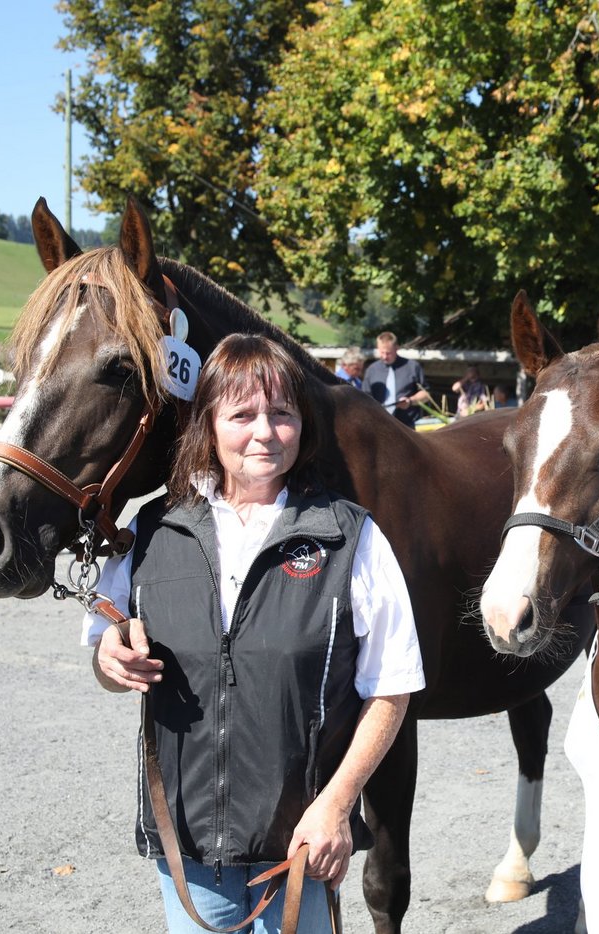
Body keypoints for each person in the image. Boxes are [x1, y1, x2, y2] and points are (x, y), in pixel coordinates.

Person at [85, 333, 424, 933]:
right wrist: (111, 660)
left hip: (301, 845)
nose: (264, 432)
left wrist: (336, 805)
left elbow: (392, 687)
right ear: (208, 425)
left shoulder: (351, 537)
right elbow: (107, 655)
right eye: (241, 415)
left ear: (303, 425)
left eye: (282, 414)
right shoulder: (152, 533)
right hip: (188, 844)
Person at [364, 331, 429, 428]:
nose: (385, 357)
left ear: (396, 348)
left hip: (406, 425)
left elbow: (426, 394)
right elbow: (365, 396)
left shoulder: (412, 367)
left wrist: (410, 401)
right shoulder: (372, 370)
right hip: (378, 424)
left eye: (388, 353)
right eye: (381, 352)